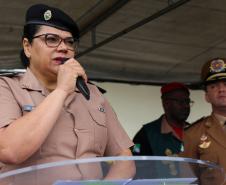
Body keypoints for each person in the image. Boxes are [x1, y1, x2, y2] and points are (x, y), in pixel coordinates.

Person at [0, 4, 135, 184]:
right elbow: (10, 151)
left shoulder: (92, 93)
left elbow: (124, 157)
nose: (63, 48)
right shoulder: (7, 87)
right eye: (51, 39)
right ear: (28, 47)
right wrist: (62, 90)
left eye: (69, 42)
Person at [181, 58, 226, 184]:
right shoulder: (193, 134)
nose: (221, 89)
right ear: (207, 96)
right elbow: (187, 181)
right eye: (214, 86)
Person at [132, 82, 192, 156]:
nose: (186, 106)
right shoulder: (146, 134)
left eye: (187, 102)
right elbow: (135, 162)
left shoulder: (195, 131)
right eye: (180, 102)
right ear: (166, 103)